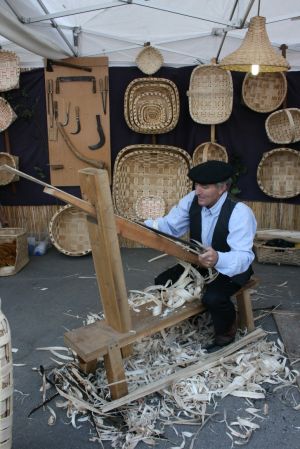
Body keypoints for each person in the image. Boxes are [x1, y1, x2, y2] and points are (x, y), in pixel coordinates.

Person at [144, 160, 257, 349]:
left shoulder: (240, 213)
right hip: (199, 263)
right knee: (163, 281)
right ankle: (194, 319)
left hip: (232, 268)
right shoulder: (192, 200)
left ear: (222, 188)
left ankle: (226, 333)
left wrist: (219, 258)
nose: (198, 191)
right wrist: (142, 226)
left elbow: (243, 257)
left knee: (213, 298)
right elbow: (170, 226)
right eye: (196, 185)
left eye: (205, 186)